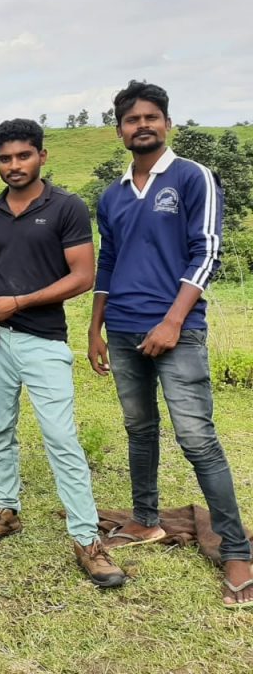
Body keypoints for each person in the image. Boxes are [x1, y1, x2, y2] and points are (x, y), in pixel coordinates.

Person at [0, 118, 125, 588]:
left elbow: (82, 276)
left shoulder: (66, 207)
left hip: (43, 340)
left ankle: (86, 539)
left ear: (42, 156)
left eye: (23, 155)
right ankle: (6, 511)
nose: (14, 165)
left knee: (61, 438)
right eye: (5, 158)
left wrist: (19, 303)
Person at [88, 80, 253, 608]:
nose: (142, 126)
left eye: (151, 117)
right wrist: (95, 327)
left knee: (197, 438)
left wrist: (173, 321)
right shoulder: (112, 195)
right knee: (139, 429)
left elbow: (207, 252)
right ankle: (145, 518)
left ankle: (237, 550)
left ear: (167, 123)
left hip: (176, 332)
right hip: (123, 329)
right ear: (119, 130)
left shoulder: (191, 177)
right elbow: (108, 261)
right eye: (132, 119)